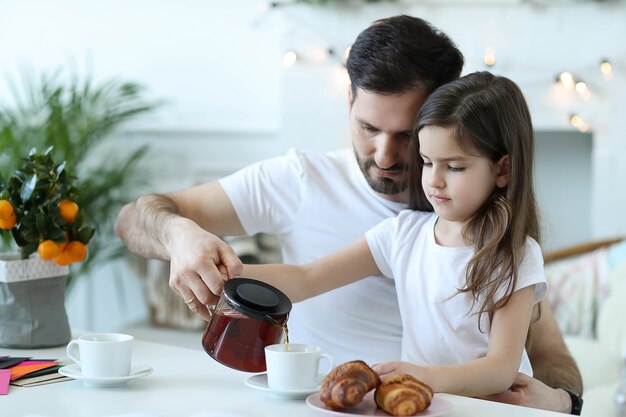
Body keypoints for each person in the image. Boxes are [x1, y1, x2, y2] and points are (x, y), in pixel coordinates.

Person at [115, 15, 582, 412]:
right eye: (368, 127)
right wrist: (187, 243)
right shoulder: (326, 194)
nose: (384, 155)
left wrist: (564, 402)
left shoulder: (502, 241)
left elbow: (539, 351)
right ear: (349, 101)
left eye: (408, 137)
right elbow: (137, 219)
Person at [241, 71, 546, 398]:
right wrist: (227, 275)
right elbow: (306, 277)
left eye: (454, 167)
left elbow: (500, 369)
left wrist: (424, 376)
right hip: (425, 401)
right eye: (427, 162)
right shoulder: (403, 235)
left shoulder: (515, 253)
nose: (435, 181)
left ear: (503, 169)